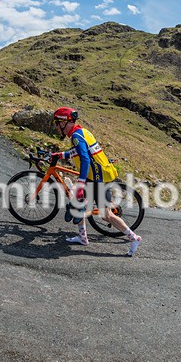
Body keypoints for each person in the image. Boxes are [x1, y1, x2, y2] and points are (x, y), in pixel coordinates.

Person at [49, 106, 142, 256]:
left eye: (57, 123)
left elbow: (85, 159)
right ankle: (82, 236)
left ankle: (134, 237)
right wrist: (60, 154)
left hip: (96, 178)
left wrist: (80, 183)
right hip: (97, 175)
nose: (56, 127)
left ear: (64, 122)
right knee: (78, 203)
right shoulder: (82, 132)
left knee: (106, 215)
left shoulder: (76, 137)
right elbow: (79, 152)